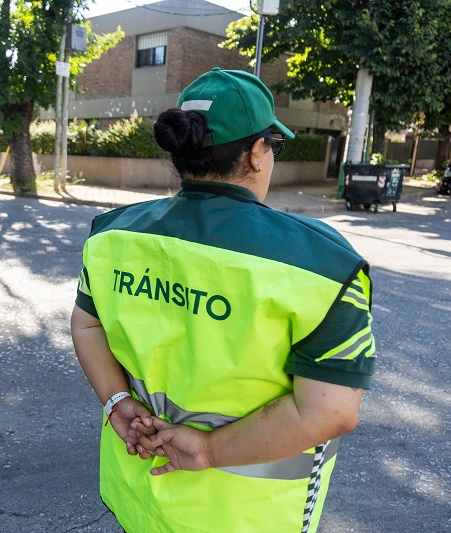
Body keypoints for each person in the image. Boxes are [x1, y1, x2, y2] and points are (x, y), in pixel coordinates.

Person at [71, 67, 376, 533]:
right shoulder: (324, 264)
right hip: (247, 515)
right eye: (273, 146)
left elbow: (87, 325)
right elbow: (329, 410)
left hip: (138, 494)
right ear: (256, 153)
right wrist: (209, 449)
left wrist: (116, 401)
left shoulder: (111, 235)